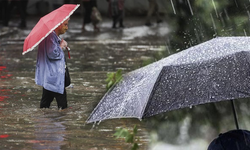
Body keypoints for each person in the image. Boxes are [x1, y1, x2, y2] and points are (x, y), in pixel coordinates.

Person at [35, 18, 70, 110]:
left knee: (44, 107)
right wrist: (61, 46)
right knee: (63, 108)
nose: (67, 27)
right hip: (55, 78)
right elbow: (52, 54)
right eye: (65, 25)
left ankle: (44, 122)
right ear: (58, 25)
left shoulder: (52, 36)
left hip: (50, 78)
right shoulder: (50, 36)